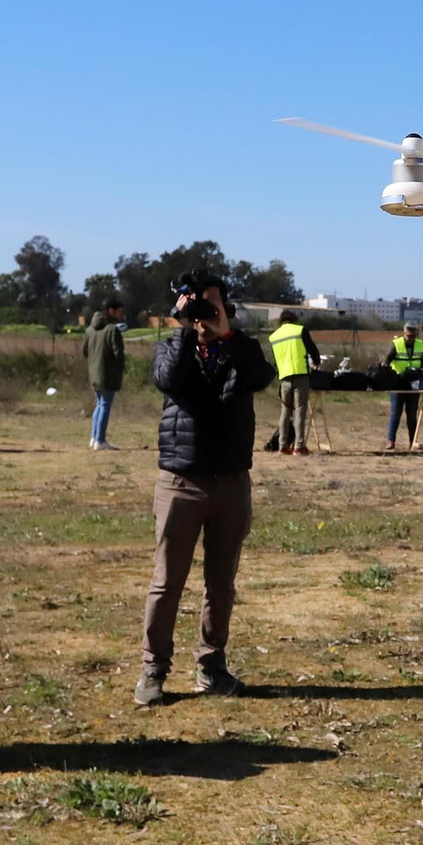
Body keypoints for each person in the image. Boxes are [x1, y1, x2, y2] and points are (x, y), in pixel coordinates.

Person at [136, 271, 274, 706]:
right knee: (166, 582)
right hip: (181, 481)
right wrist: (182, 330)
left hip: (231, 481)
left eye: (210, 305)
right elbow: (168, 380)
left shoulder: (242, 348)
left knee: (221, 583)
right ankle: (153, 670)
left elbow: (260, 377)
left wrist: (226, 333)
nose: (202, 314)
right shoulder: (171, 347)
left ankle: (211, 667)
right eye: (195, 306)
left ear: (225, 307)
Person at [268, 310, 320, 456]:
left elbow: (276, 359)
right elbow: (312, 349)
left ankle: (282, 445)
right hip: (300, 375)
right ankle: (299, 446)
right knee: (300, 410)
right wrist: (316, 362)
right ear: (294, 319)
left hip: (284, 377)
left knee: (285, 411)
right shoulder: (300, 330)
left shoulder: (274, 336)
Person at [84, 299, 127, 450]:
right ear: (111, 310)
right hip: (108, 375)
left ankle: (94, 437)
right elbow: (118, 354)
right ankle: (100, 440)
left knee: (99, 404)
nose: (122, 314)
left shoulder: (89, 330)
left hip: (94, 374)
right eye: (119, 310)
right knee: (104, 405)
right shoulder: (112, 330)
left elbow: (85, 351)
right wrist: (121, 370)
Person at [382, 321, 423, 450]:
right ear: (404, 333)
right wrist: (385, 365)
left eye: (413, 336)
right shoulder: (396, 344)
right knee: (396, 412)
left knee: (412, 414)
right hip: (398, 382)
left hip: (414, 383)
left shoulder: (421, 344)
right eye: (409, 336)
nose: (411, 338)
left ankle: (412, 441)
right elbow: (387, 359)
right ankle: (391, 441)